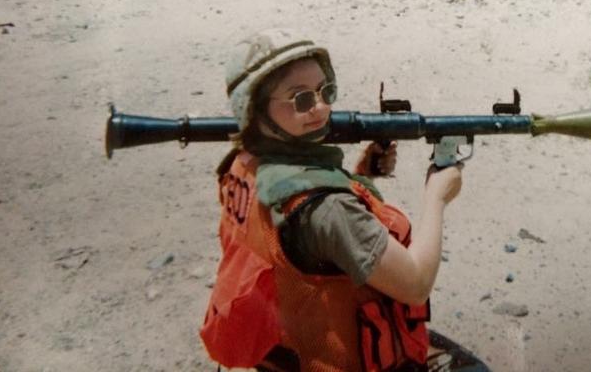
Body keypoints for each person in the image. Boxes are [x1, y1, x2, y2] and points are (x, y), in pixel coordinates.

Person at [199, 29, 466, 371]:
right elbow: (415, 284)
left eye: (326, 91)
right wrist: (437, 196)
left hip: (285, 353)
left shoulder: (243, 166)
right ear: (255, 108)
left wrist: (361, 177)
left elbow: (300, 246)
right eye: (300, 100)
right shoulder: (328, 209)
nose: (321, 108)